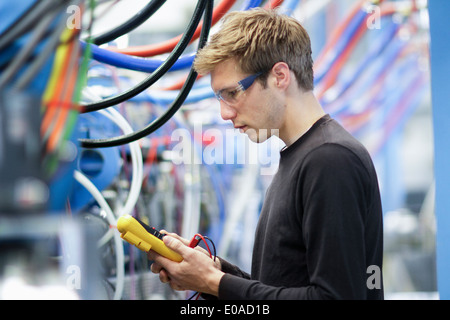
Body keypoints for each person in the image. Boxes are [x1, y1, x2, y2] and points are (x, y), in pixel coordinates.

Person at [148, 8, 384, 300]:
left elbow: (333, 298)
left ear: (280, 76)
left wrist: (215, 283)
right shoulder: (300, 157)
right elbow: (280, 288)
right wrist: (212, 272)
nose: (224, 113)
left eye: (232, 93)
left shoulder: (330, 160)